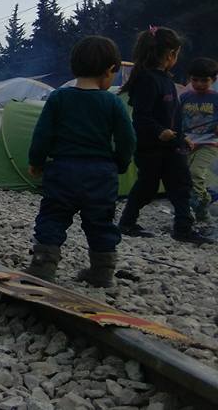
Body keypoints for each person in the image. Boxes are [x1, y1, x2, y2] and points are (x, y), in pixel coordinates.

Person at [23, 36, 136, 287]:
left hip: (63, 170)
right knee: (100, 221)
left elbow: (42, 134)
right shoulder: (112, 102)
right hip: (101, 173)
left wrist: (36, 161)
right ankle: (103, 271)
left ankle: (43, 265)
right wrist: (120, 162)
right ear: (110, 70)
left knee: (53, 216)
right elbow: (127, 138)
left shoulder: (59, 98)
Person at [117, 26, 215, 244]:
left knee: (181, 184)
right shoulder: (147, 80)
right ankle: (127, 222)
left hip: (172, 146)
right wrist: (160, 131)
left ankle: (183, 228)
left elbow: (173, 115)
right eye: (177, 54)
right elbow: (141, 116)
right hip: (151, 146)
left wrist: (181, 137)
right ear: (170, 54)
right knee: (147, 186)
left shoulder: (166, 79)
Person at [180, 57, 218, 224]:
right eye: (195, 80)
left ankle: (204, 201)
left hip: (209, 143)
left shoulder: (215, 98)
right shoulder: (185, 96)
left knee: (196, 173)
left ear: (214, 80)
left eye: (204, 80)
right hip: (187, 142)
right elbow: (176, 117)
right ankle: (198, 209)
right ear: (189, 78)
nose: (199, 84)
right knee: (186, 177)